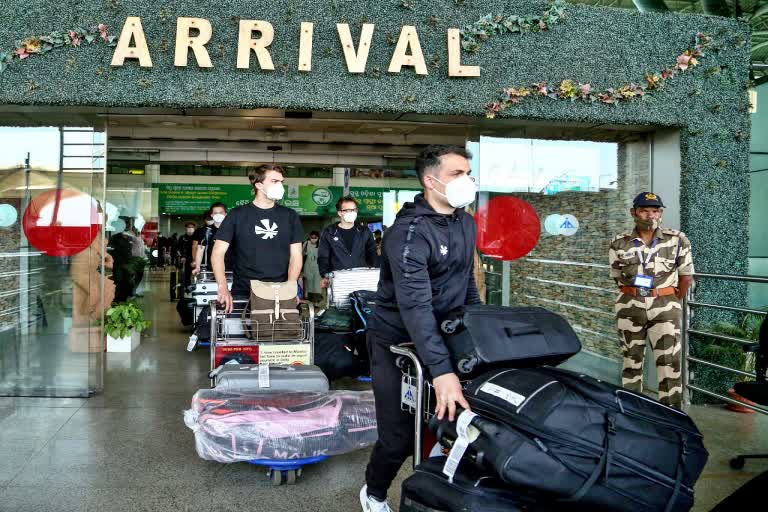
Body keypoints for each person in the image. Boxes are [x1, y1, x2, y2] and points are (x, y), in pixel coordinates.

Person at [360, 145, 481, 512]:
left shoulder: (466, 222)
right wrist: (442, 371)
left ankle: (436, 489)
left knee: (450, 424)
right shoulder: (407, 234)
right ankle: (375, 494)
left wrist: (479, 335)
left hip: (441, 335)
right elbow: (415, 307)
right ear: (431, 181)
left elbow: (467, 284)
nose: (467, 181)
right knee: (398, 437)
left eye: (468, 173)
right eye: (457, 174)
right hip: (397, 344)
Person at [609, 192, 694, 409]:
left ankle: (672, 414)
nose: (650, 215)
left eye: (655, 211)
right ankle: (631, 411)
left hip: (665, 307)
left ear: (661, 213)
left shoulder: (676, 239)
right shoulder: (619, 242)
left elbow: (686, 276)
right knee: (631, 361)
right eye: (645, 210)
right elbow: (617, 277)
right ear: (634, 212)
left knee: (669, 363)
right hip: (630, 306)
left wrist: (672, 299)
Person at [212, 164, 304, 312]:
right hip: (243, 292)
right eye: (275, 181)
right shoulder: (237, 215)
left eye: (282, 182)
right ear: (259, 185)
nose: (280, 186)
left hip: (278, 292)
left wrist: (291, 287)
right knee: (238, 333)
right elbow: (217, 253)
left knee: (280, 335)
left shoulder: (290, 216)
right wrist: (222, 287)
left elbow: (296, 255)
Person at [318, 196, 377, 287]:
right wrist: (325, 275)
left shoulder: (364, 231)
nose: (352, 213)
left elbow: (372, 253)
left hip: (362, 280)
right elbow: (323, 257)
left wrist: (371, 271)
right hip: (338, 280)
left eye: (354, 210)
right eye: (348, 210)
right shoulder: (329, 233)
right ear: (340, 213)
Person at [192, 203, 227, 275]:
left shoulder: (233, 229)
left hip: (231, 268)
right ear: (212, 215)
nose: (218, 215)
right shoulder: (206, 231)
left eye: (221, 212)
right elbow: (200, 250)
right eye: (215, 213)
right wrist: (197, 266)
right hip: (211, 269)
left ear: (225, 214)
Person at [302, 231, 323, 304]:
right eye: (312, 238)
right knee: (309, 283)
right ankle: (310, 301)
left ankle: (317, 301)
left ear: (318, 237)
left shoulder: (321, 243)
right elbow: (301, 254)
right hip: (308, 265)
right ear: (310, 237)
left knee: (317, 283)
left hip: (317, 265)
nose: (313, 239)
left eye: (315, 238)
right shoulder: (306, 243)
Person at [179, 221, 197, 288]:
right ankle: (187, 285)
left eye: (192, 227)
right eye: (189, 227)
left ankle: (196, 284)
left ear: (194, 228)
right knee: (187, 273)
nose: (190, 228)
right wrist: (182, 256)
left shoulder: (197, 237)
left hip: (196, 258)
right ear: (186, 228)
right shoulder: (182, 238)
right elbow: (179, 248)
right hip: (186, 258)